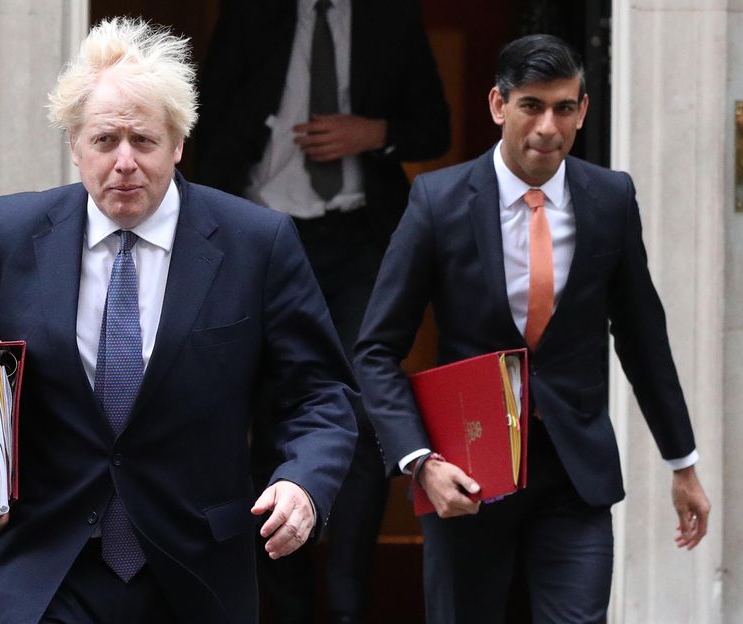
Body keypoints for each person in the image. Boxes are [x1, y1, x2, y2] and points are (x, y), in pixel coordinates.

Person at [0, 17, 357, 624]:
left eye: (143, 141)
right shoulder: (12, 234)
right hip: (41, 569)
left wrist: (303, 482)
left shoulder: (257, 243)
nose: (124, 162)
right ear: (74, 146)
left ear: (177, 143)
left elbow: (322, 393)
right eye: (104, 141)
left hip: (195, 572)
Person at [353, 34, 711, 623]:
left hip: (575, 475)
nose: (548, 127)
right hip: (467, 474)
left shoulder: (610, 198)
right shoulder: (438, 202)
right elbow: (374, 351)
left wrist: (683, 464)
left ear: (583, 111)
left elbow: (644, 337)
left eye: (564, 108)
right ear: (499, 105)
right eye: (532, 106)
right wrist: (421, 461)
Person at [195, 1, 449, 622]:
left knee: (360, 416)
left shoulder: (391, 17)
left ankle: (347, 603)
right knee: (271, 417)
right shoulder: (251, 14)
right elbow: (202, 118)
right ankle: (283, 602)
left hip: (360, 240)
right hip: (263, 237)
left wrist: (375, 132)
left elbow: (434, 127)